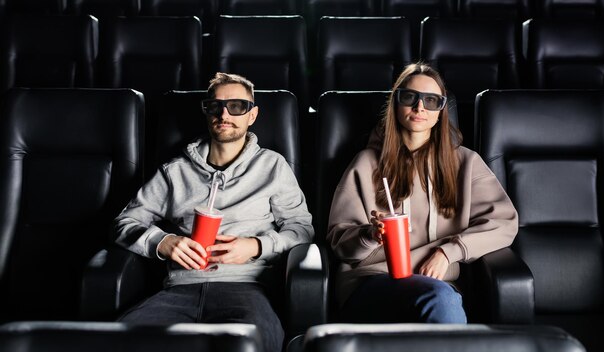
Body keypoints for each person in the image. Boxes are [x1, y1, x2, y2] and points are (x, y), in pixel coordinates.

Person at [114, 72, 314, 352]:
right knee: (120, 341)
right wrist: (163, 242)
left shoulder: (273, 166)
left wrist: (257, 246)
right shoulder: (175, 171)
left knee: (254, 343)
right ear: (206, 112)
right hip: (179, 288)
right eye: (215, 106)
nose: (224, 113)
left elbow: (302, 229)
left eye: (237, 106)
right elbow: (125, 221)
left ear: (252, 115)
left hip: (247, 288)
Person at [327, 62, 518, 324]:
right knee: (440, 301)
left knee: (441, 301)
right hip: (371, 281)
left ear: (441, 112)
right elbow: (339, 241)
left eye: (431, 101)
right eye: (410, 97)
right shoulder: (365, 163)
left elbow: (504, 223)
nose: (420, 108)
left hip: (438, 286)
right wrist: (369, 235)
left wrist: (449, 252)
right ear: (396, 104)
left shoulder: (466, 163)